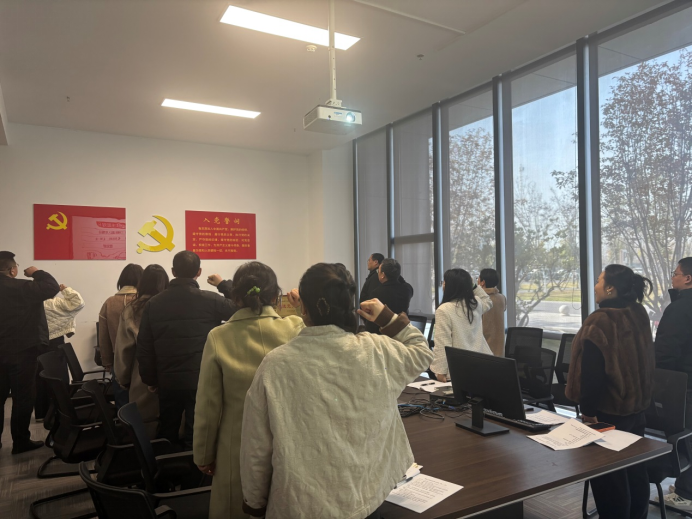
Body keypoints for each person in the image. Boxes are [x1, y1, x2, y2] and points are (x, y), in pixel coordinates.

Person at [240, 263, 432, 518]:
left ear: (303, 307)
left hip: (303, 505)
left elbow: (256, 445)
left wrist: (254, 502)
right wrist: (386, 317)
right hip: (369, 497)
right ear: (350, 303)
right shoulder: (376, 350)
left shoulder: (276, 364)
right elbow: (421, 352)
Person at [193, 262, 304, 518]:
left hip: (236, 446)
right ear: (276, 296)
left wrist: (203, 454)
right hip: (289, 443)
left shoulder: (218, 336)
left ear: (236, 297)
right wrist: (300, 307)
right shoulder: (296, 329)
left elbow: (208, 405)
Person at [566, 264, 655, 519]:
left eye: (598, 280)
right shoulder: (638, 312)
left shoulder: (600, 320)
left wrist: (588, 412)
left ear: (609, 288)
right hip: (636, 409)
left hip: (607, 413)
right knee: (635, 471)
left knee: (609, 479)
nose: (595, 286)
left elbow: (592, 374)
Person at [137, 251, 237, 450]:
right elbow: (241, 308)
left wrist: (151, 379)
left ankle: (164, 467)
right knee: (197, 431)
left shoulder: (153, 304)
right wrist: (223, 284)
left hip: (167, 379)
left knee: (167, 429)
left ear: (173, 272)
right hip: (201, 379)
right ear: (199, 272)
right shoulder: (212, 300)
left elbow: (145, 346)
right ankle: (194, 467)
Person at [0, 251, 59, 453]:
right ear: (12, 270)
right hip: (22, 352)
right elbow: (51, 286)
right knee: (23, 398)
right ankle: (20, 441)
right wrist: (36, 272)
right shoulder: (22, 287)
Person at [113, 265, 169, 439]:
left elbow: (124, 349)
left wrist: (123, 379)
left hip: (142, 376)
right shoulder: (172, 306)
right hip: (173, 373)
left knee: (146, 428)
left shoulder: (132, 310)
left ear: (142, 283)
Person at [655, 256, 692, 511]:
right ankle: (684, 485)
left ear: (688, 278)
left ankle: (685, 494)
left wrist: (660, 382)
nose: (672, 277)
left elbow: (666, 350)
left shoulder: (680, 308)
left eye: (675, 273)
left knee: (684, 437)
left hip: (682, 383)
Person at [430, 268, 493, 382]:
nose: (443, 285)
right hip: (484, 365)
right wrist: (474, 286)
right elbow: (488, 301)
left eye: (444, 282)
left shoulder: (444, 309)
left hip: (458, 369)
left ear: (451, 286)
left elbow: (443, 343)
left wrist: (440, 371)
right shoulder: (475, 304)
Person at [35, 284, 85, 420]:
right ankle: (60, 410)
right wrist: (66, 289)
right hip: (55, 342)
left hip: (37, 342)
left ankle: (41, 413)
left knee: (39, 377)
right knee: (59, 377)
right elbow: (78, 302)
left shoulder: (34, 303)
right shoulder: (56, 303)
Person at [99, 263, 143, 408]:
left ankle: (122, 421)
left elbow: (103, 336)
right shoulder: (143, 302)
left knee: (122, 400)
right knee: (141, 401)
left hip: (117, 360)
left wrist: (106, 361)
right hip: (141, 360)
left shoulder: (109, 302)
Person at [365, 258, 414, 333]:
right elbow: (403, 282)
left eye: (378, 271)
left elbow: (371, 323)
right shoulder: (407, 289)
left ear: (383, 275)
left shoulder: (376, 293)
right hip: (402, 332)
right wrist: (395, 274)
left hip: (383, 334)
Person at [478, 268, 506, 357]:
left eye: (478, 278)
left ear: (483, 282)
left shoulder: (479, 299)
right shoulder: (502, 298)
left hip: (484, 348)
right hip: (499, 348)